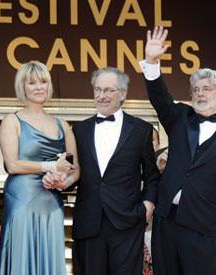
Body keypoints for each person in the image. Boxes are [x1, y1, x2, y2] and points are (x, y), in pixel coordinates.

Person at [139, 26, 216, 275]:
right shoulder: (179, 117)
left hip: (204, 225)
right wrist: (151, 61)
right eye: (195, 90)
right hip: (166, 221)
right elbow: (159, 97)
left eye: (206, 89)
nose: (200, 94)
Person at [70, 67, 159, 274]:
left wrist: (148, 206)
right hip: (88, 224)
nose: (102, 96)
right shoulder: (78, 131)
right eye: (98, 90)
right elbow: (73, 174)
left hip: (127, 222)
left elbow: (152, 175)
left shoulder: (141, 130)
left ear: (123, 94)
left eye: (109, 90)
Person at [0, 61, 79, 274]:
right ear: (22, 87)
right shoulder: (11, 121)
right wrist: (51, 165)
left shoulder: (63, 125)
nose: (39, 87)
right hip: (22, 200)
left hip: (51, 203)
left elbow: (73, 167)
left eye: (43, 81)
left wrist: (63, 181)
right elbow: (12, 165)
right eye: (32, 82)